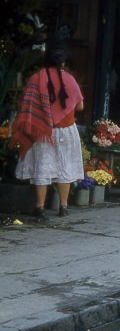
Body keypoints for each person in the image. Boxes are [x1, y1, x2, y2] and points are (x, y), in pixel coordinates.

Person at [11, 39, 84, 219]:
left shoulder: (35, 79)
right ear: (63, 62)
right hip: (67, 130)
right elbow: (80, 107)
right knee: (64, 167)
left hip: (42, 131)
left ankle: (40, 207)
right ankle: (63, 207)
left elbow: (27, 107)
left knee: (42, 167)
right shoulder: (70, 79)